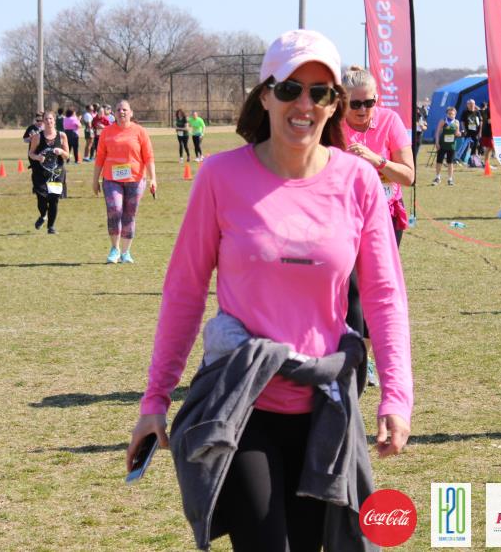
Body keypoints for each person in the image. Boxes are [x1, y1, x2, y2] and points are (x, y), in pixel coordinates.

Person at [127, 30, 411, 551]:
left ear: (335, 105)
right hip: (241, 403)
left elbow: (384, 296)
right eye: (290, 89)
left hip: (326, 407)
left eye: (320, 92)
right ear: (265, 96)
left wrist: (396, 394)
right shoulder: (220, 176)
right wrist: (155, 399)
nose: (304, 104)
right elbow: (185, 291)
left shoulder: (359, 182)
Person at [341, 65, 415, 244]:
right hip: (344, 215)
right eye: (355, 104)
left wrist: (377, 160)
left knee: (383, 264)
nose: (362, 110)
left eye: (369, 103)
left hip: (386, 214)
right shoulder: (332, 125)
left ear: (376, 98)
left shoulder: (390, 120)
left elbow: (408, 177)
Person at [92, 100, 156, 264]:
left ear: (131, 113)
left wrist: (153, 179)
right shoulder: (107, 132)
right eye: (119, 109)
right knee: (115, 210)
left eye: (125, 110)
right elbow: (100, 157)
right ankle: (115, 249)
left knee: (129, 214)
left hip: (135, 179)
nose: (122, 112)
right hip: (111, 179)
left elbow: (148, 157)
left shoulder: (140, 131)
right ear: (114, 113)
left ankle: (126, 252)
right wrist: (95, 180)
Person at [28, 111, 69, 234]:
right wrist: (38, 157)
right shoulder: (38, 136)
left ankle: (51, 227)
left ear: (54, 120)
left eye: (51, 119)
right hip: (40, 173)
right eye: (46, 119)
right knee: (42, 199)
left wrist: (61, 152)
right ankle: (43, 215)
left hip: (56, 173)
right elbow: (31, 153)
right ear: (43, 121)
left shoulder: (62, 136)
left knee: (54, 200)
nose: (48, 121)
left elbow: (67, 156)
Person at [432, 106, 461, 185]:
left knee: (450, 162)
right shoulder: (443, 121)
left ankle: (450, 179)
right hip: (442, 144)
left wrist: (459, 134)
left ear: (455, 114)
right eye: (449, 114)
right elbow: (437, 132)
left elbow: (457, 133)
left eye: (452, 114)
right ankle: (437, 178)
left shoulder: (456, 122)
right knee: (439, 161)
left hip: (451, 145)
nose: (451, 115)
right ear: (447, 114)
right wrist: (437, 142)